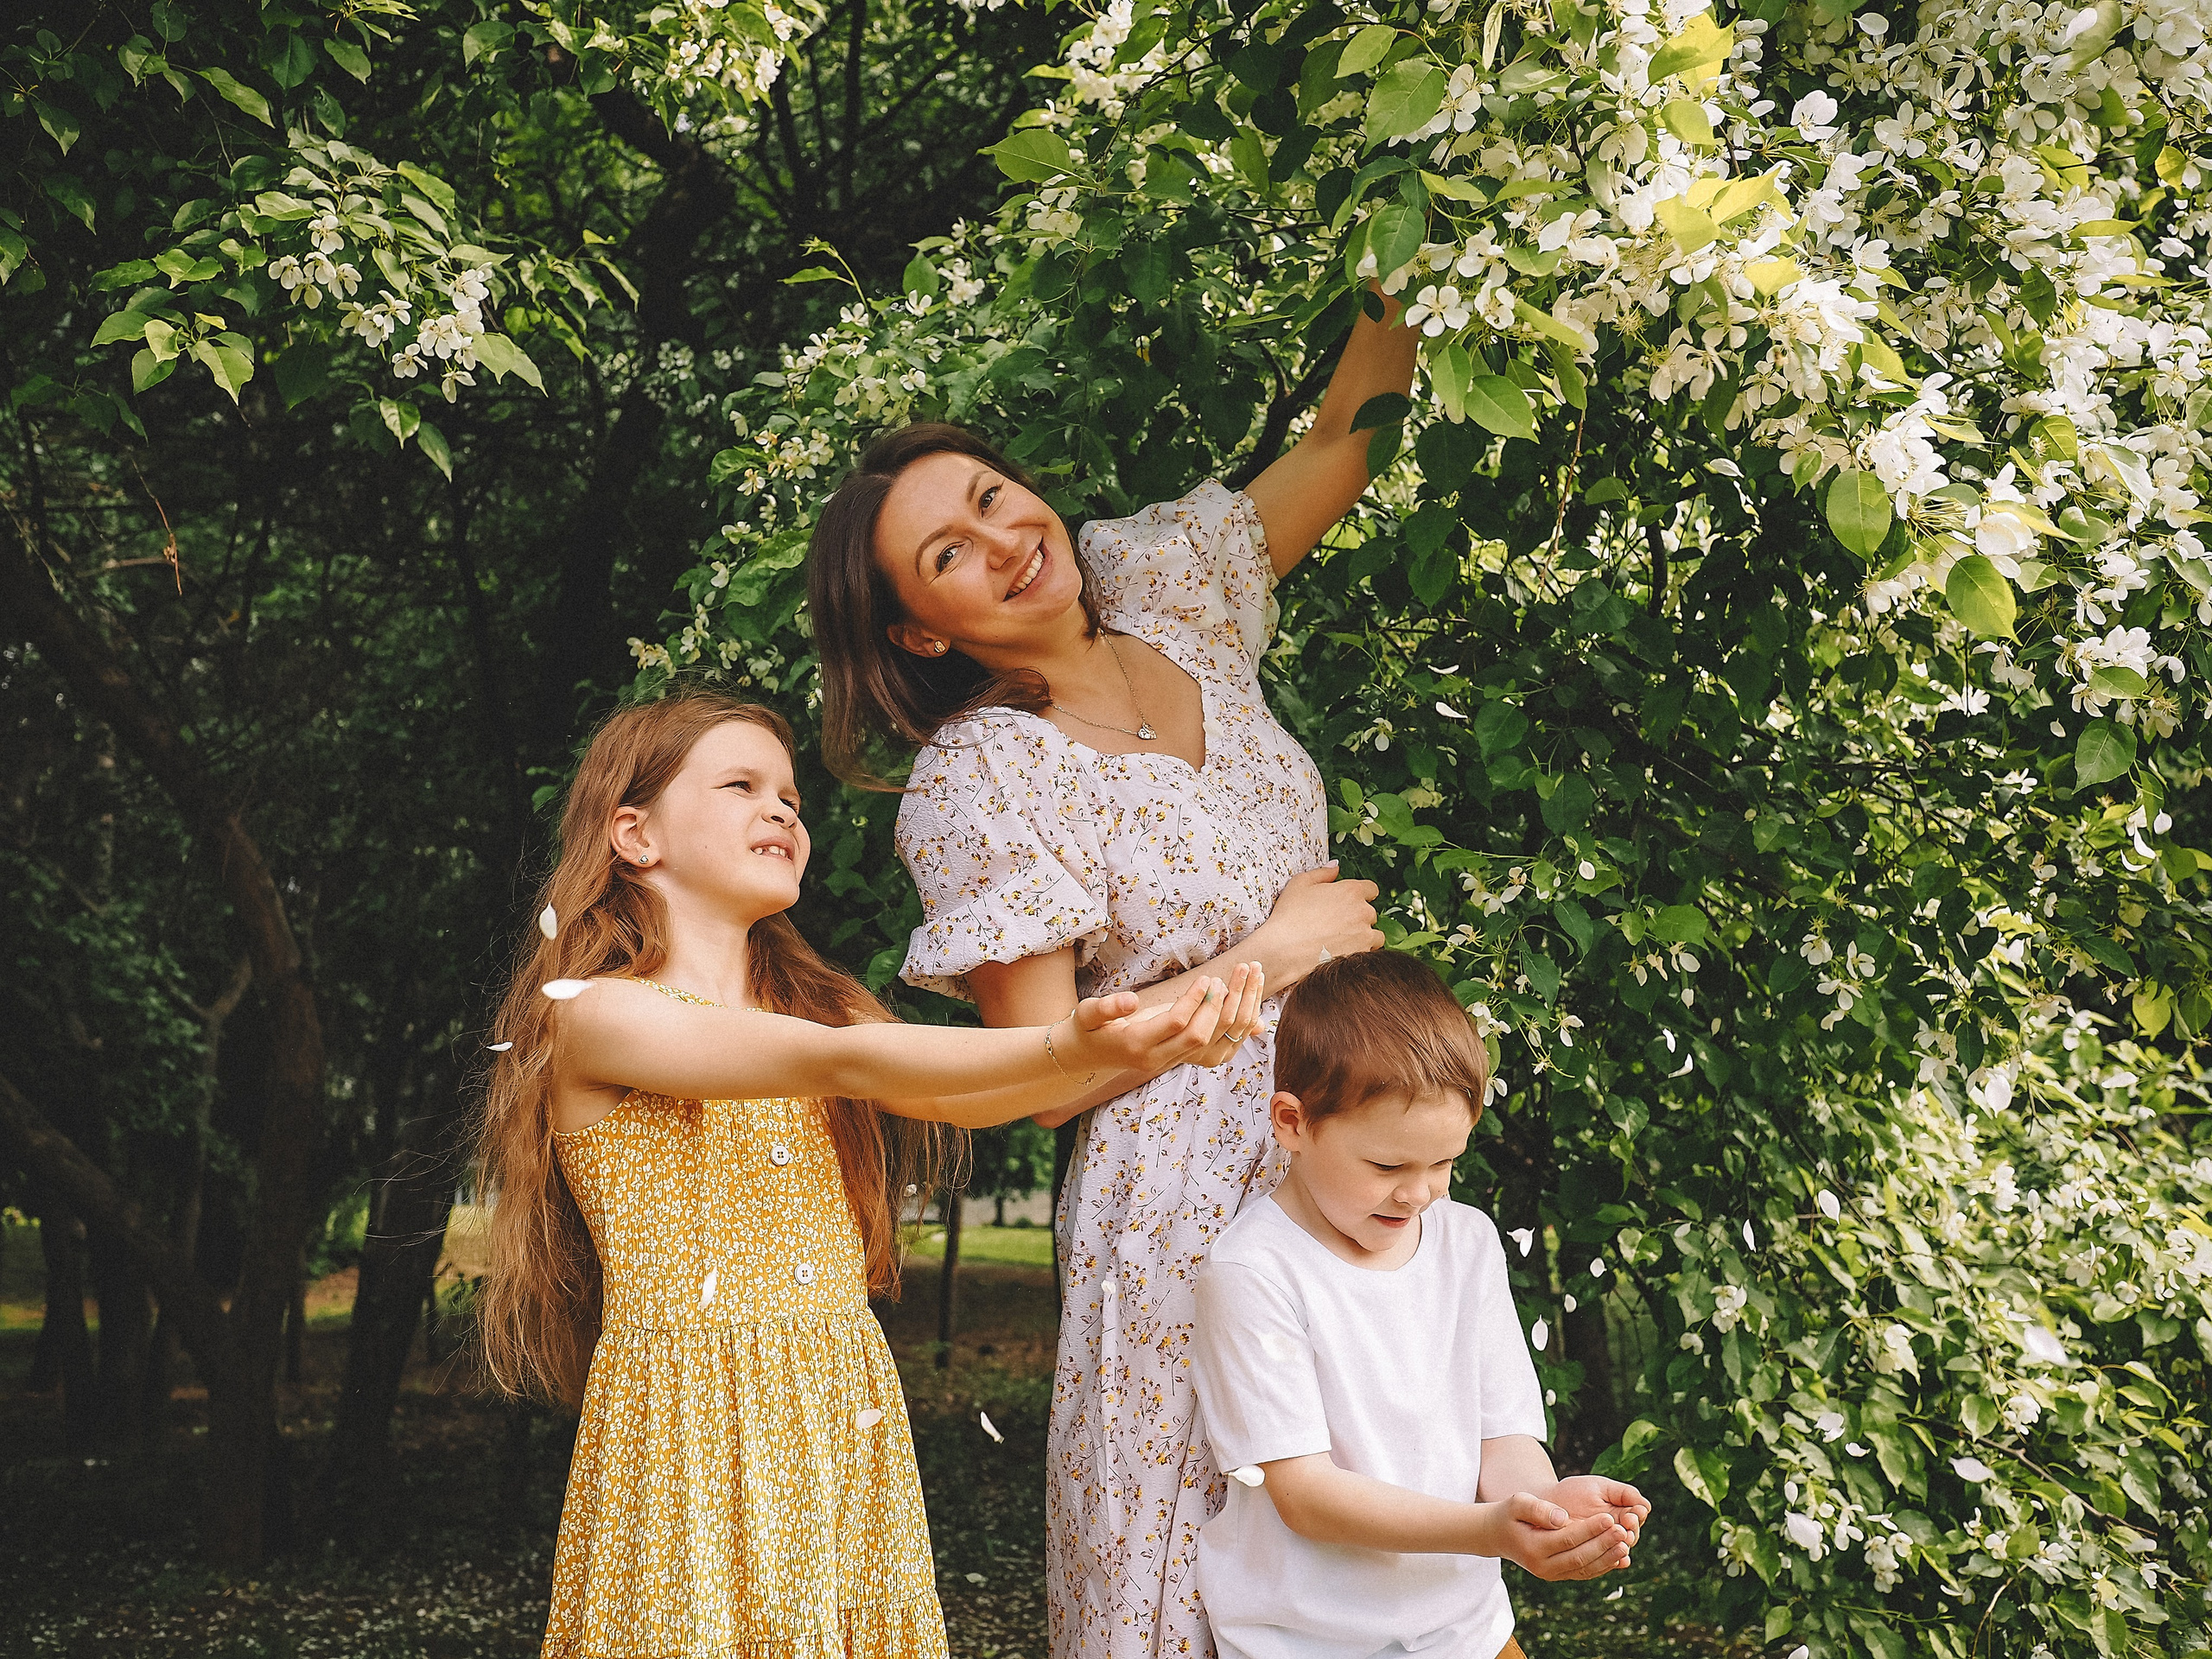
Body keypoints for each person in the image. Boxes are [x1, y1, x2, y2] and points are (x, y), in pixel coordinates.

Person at [806, 289, 1419, 1657]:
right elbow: (1038, 1081)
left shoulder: (1171, 586)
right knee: (1194, 1576)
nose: (1007, 544)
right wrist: (1269, 956)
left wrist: (1421, 225)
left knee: (1388, 1546)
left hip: (1358, 1137)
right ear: (921, 630)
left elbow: (1347, 437)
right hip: (1181, 1204)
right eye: (950, 555)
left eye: (994, 497)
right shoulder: (983, 778)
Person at [473, 688, 1265, 1659]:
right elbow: (849, 1066)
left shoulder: (819, 1006)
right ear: (634, 835)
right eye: (741, 785)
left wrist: (1162, 1038)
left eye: (792, 798)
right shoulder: (594, 1012)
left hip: (836, 1399)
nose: (782, 810)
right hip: (691, 1424)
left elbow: (971, 1093)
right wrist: (1066, 1040)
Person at [1189, 952, 1651, 1659]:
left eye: (1443, 1163)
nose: (1420, 1193)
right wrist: (1491, 1530)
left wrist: (1545, 1509)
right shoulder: (1254, 1270)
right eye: (1387, 1166)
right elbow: (1306, 1495)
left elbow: (1506, 1436)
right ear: (1292, 1122)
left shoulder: (1466, 1242)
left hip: (1469, 1632)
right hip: (1309, 1642)